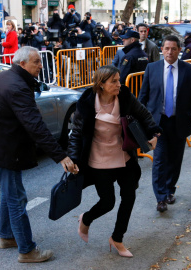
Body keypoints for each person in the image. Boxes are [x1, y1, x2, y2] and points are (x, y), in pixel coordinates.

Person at [0, 46, 77, 263]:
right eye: (36, 62)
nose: (41, 66)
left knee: (9, 194)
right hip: (5, 150)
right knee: (16, 198)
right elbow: (36, 126)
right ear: (22, 64)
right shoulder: (17, 86)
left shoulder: (5, 77)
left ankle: (7, 236)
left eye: (40, 61)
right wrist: (61, 156)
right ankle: (26, 250)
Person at [67, 65, 161, 257]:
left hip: (124, 156)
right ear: (101, 84)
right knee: (107, 202)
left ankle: (117, 238)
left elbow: (144, 114)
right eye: (114, 81)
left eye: (119, 79)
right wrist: (74, 158)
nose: (119, 84)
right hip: (99, 159)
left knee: (129, 196)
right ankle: (86, 219)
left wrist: (154, 133)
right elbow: (76, 134)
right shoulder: (86, 103)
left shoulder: (125, 96)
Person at [138, 35, 191, 212]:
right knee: (159, 160)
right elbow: (143, 96)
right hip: (157, 123)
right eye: (166, 48)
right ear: (162, 49)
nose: (170, 52)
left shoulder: (189, 70)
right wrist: (138, 121)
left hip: (179, 122)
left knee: (175, 160)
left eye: (173, 49)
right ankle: (160, 198)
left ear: (179, 50)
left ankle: (169, 190)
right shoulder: (152, 68)